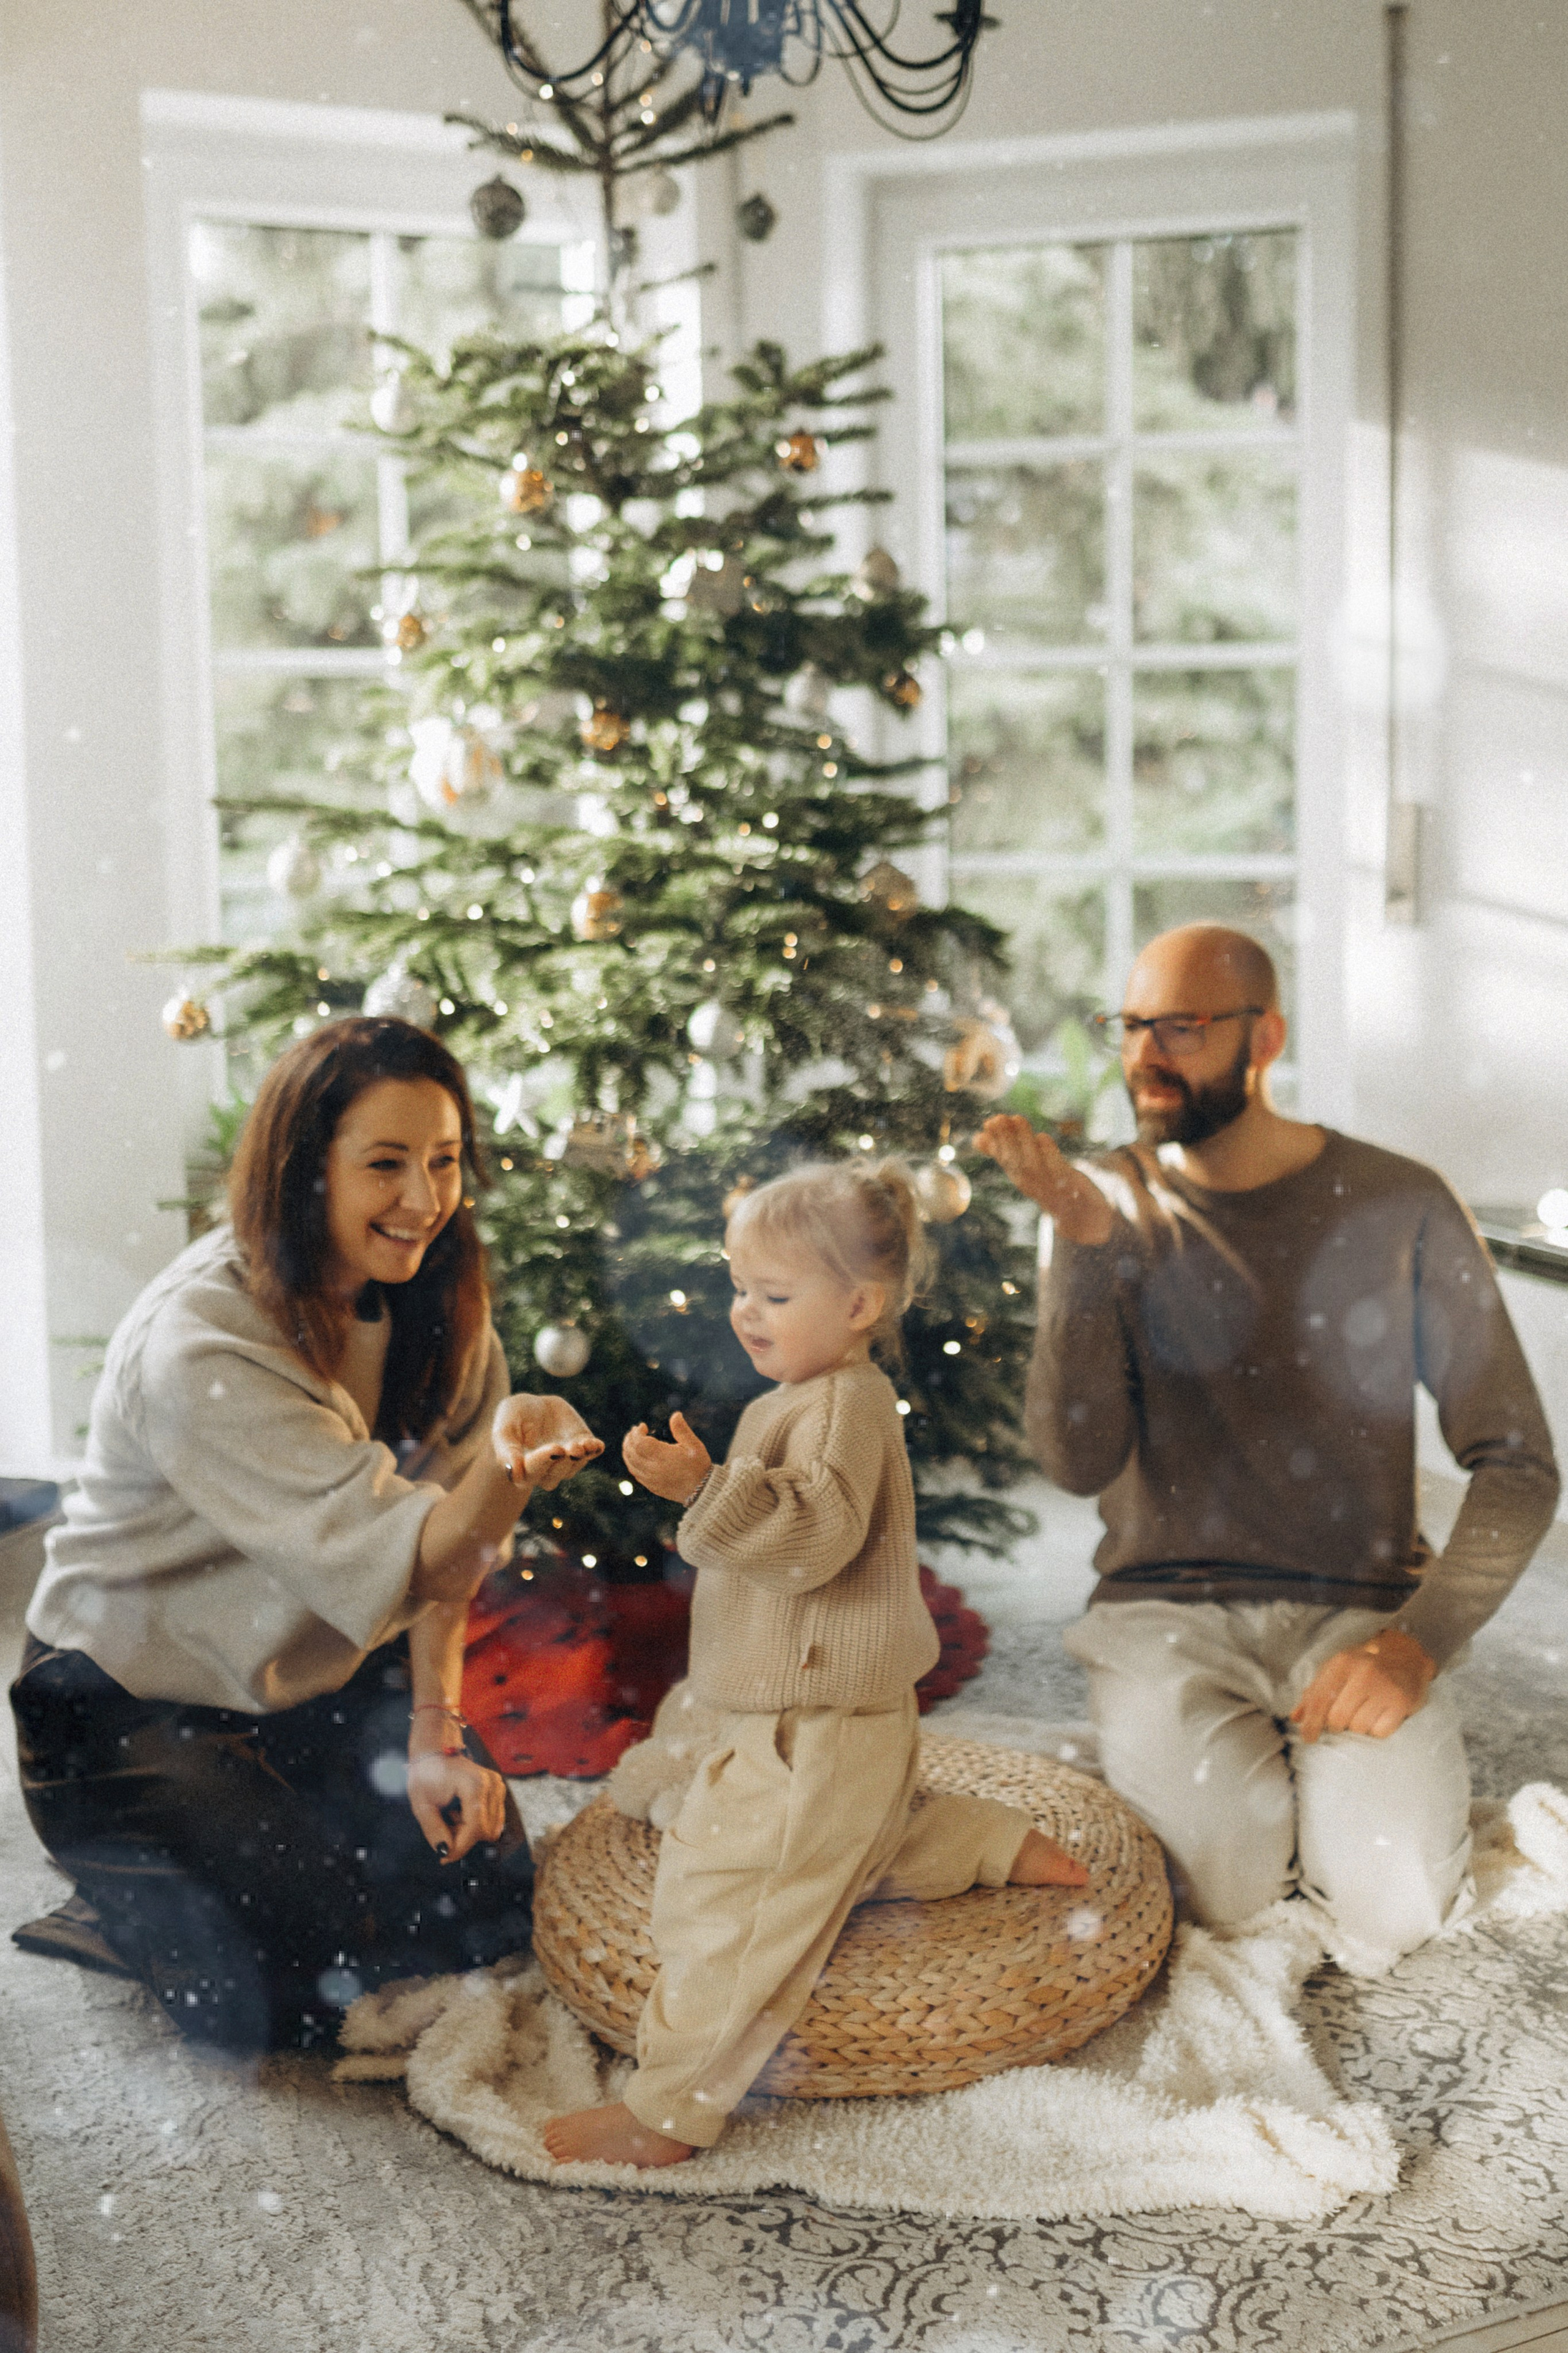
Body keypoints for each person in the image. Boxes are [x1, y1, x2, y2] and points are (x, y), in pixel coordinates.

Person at [977, 923, 1560, 1976]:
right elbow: (1076, 1459)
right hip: (1165, 1608)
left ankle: (1325, 1771)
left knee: (1397, 1911)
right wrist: (1081, 1246)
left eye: (1184, 1027)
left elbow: (1519, 1461)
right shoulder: (1100, 1201)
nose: (1146, 1053)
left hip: (1360, 1605)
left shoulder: (1402, 1200)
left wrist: (1415, 1644)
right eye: (1133, 1025)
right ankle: (1235, 1772)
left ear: (1266, 1035)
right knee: (1224, 1895)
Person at [10, 1017, 602, 2052]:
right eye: (385, 1164)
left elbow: (440, 1574)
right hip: (123, 1700)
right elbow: (425, 1546)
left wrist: (432, 1730)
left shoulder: (438, 1306)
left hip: (309, 1673)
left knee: (495, 1899)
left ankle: (238, 1860)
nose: (424, 1199)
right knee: (287, 1991)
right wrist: (511, 1476)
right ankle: (121, 1891)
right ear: (303, 1170)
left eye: (444, 1161)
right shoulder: (202, 1339)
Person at [541, 1159, 1088, 2169]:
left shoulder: (841, 1405)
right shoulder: (800, 1393)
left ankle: (666, 2112)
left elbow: (815, 1539)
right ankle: (984, 1844)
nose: (748, 1313)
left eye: (776, 1295)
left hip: (819, 1725)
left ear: (860, 1304)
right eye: (741, 1287)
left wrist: (706, 1486)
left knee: (733, 1908)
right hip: (821, 1720)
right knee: (843, 1843)